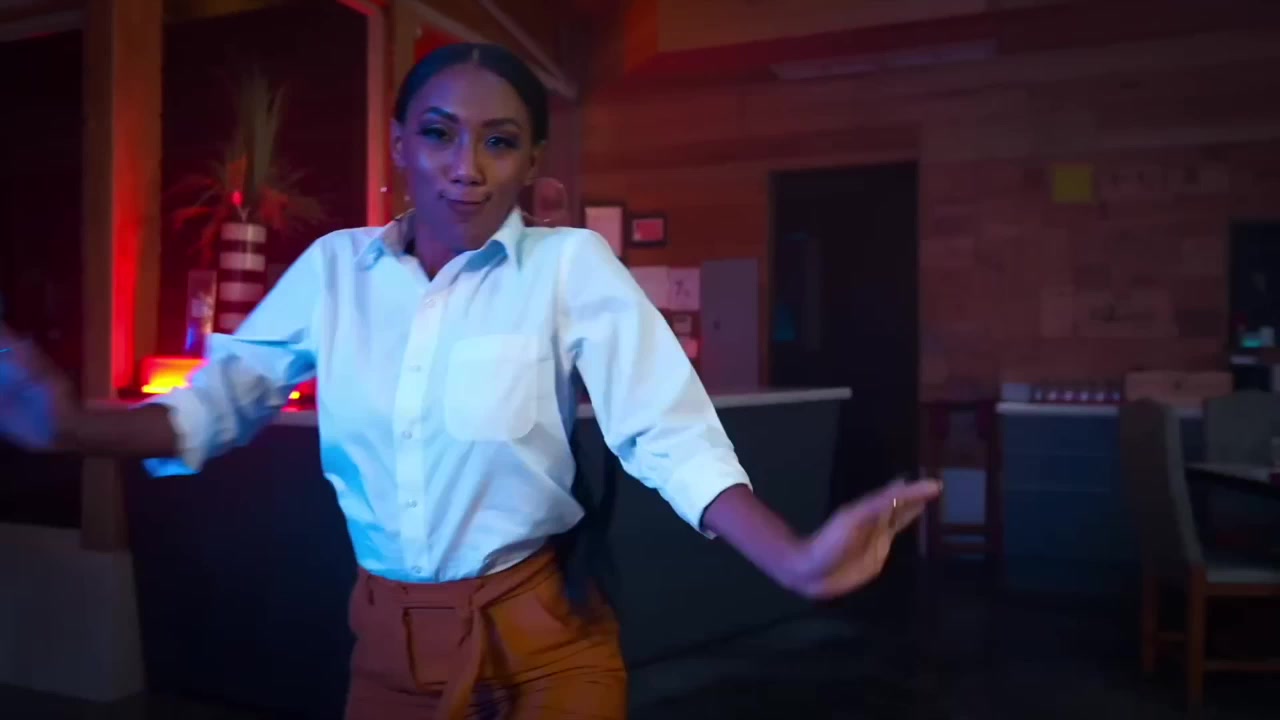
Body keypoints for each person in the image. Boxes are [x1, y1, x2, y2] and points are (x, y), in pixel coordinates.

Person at [0, 43, 940, 720]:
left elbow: (664, 430)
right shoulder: (334, 273)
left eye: (499, 142)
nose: (466, 167)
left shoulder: (568, 266)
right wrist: (74, 426)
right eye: (440, 134)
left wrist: (793, 558)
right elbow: (221, 402)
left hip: (547, 644)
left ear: (530, 161)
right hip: (386, 649)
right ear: (400, 142)